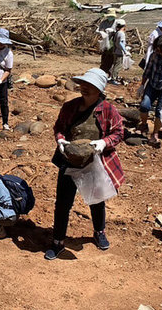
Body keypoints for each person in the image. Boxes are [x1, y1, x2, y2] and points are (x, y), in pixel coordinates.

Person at [47, 68, 124, 260]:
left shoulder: (108, 110)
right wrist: (61, 141)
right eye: (84, 85)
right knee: (63, 204)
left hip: (93, 161)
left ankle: (99, 232)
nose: (85, 88)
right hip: (69, 160)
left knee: (96, 200)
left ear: (99, 89)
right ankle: (57, 241)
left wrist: (103, 143)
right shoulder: (70, 106)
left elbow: (119, 133)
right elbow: (60, 128)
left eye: (90, 86)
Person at [109, 19, 131, 85]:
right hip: (119, 52)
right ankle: (113, 79)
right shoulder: (121, 34)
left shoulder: (117, 32)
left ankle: (113, 76)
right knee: (118, 66)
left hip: (115, 51)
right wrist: (125, 51)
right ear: (124, 26)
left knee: (115, 64)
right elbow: (121, 43)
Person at [96, 10, 117, 76]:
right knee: (104, 56)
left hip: (113, 42)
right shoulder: (104, 23)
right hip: (105, 42)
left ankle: (110, 73)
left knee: (111, 58)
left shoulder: (116, 23)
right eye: (109, 16)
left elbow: (120, 31)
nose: (110, 18)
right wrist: (101, 32)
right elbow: (98, 30)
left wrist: (113, 31)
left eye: (111, 16)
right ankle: (102, 71)